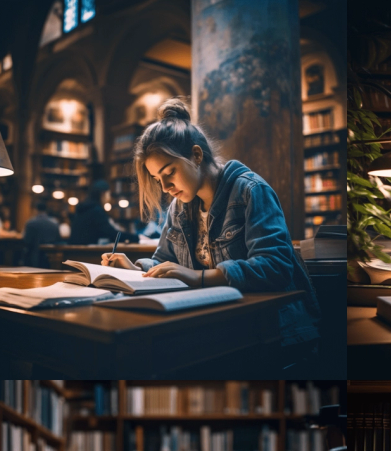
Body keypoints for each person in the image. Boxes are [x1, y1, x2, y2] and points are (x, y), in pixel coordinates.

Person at [100, 97, 320, 348]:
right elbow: (166, 263)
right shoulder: (179, 206)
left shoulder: (251, 191)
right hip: (218, 326)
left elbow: (276, 267)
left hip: (272, 331)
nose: (165, 187)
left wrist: (198, 277)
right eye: (157, 179)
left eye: (169, 172)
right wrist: (135, 269)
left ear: (196, 155)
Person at [68, 179, 139, 245]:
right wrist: (136, 238)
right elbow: (111, 233)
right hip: (85, 253)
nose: (109, 197)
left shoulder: (85, 209)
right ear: (103, 193)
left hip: (75, 250)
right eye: (108, 194)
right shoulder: (96, 211)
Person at [22, 200, 61, 267]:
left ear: (35, 210)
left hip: (33, 257)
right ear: (46, 210)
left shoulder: (30, 223)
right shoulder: (54, 223)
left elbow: (26, 241)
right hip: (51, 259)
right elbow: (58, 239)